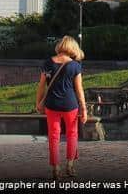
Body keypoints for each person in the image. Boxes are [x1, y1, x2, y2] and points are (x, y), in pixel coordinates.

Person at [35, 36, 87, 181]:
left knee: (53, 136)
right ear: (72, 48)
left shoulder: (47, 63)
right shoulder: (75, 66)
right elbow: (79, 89)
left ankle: (55, 168)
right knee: (72, 134)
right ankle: (70, 165)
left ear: (59, 46)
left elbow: (41, 86)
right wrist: (84, 109)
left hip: (52, 105)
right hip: (70, 105)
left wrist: (38, 102)